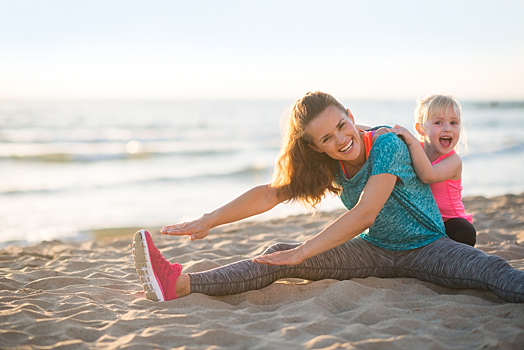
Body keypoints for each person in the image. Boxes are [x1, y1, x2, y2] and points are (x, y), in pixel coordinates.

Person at [132, 91, 524, 303]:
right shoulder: (329, 164)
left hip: (428, 246)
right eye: (326, 138)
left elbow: (366, 212)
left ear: (351, 115)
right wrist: (209, 219)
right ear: (316, 147)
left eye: (342, 125)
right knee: (278, 252)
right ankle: (181, 284)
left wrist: (306, 251)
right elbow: (270, 194)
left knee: (492, 272)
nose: (341, 140)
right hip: (374, 251)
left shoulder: (386, 144)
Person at [388, 94, 476, 246]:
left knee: (464, 231)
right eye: (438, 122)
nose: (447, 128)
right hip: (424, 220)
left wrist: (412, 142)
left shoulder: (453, 161)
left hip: (450, 222)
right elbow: (380, 135)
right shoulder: (415, 151)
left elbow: (428, 175)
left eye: (453, 122)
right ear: (421, 129)